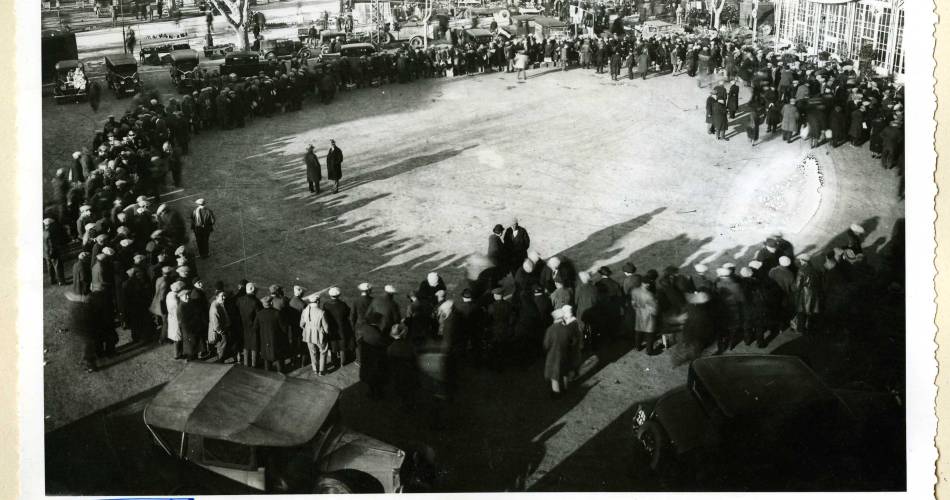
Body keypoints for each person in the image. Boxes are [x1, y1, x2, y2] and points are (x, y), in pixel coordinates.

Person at [543, 305, 580, 398]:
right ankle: (565, 388)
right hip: (565, 354)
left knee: (554, 375)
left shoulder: (550, 329)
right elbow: (573, 341)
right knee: (564, 372)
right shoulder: (567, 329)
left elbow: (546, 344)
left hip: (553, 355)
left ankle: (556, 393)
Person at [359, 311, 390, 399]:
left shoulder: (366, 328)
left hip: (367, 358)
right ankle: (378, 394)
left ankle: (371, 392)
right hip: (376, 359)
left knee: (370, 378)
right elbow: (383, 344)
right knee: (377, 378)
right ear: (377, 321)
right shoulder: (377, 334)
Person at [255, 295, 290, 372]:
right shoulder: (277, 313)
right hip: (276, 343)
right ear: (271, 303)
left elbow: (255, 328)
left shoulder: (259, 314)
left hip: (264, 343)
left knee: (267, 365)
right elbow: (284, 328)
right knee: (279, 364)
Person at [387, 322, 417, 410]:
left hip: (398, 373)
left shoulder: (390, 348)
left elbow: (390, 362)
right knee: (410, 390)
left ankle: (403, 404)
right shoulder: (410, 345)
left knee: (401, 389)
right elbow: (415, 358)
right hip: (410, 372)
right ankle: (410, 404)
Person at [323, 286, 354, 367]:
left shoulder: (326, 305)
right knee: (342, 346)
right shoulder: (343, 305)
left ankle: (334, 361)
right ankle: (342, 362)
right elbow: (348, 314)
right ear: (339, 295)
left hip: (331, 328)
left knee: (333, 344)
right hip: (341, 328)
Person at [300, 294, 330, 375]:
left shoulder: (305, 311)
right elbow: (326, 328)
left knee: (312, 352)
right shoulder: (321, 312)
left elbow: (301, 324)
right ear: (317, 301)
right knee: (323, 351)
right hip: (319, 336)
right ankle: (322, 370)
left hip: (308, 335)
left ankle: (315, 369)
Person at [236, 282, 262, 367]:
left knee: (246, 346)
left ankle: (246, 365)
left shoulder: (240, 300)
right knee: (254, 347)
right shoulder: (256, 302)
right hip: (254, 328)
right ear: (253, 290)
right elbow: (259, 317)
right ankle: (254, 365)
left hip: (243, 327)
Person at [208, 289, 234, 363]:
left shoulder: (219, 304)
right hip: (221, 331)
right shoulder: (215, 308)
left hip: (222, 329)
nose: (224, 298)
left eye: (224, 296)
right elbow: (216, 324)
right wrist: (222, 332)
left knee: (221, 346)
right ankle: (221, 360)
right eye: (222, 296)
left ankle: (221, 358)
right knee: (222, 346)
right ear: (217, 297)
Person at [44, 218, 68, 286]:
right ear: (50, 225)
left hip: (45, 253)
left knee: (50, 266)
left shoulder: (43, 232)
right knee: (58, 266)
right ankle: (61, 281)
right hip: (53, 252)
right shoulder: (50, 233)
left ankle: (52, 280)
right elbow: (51, 244)